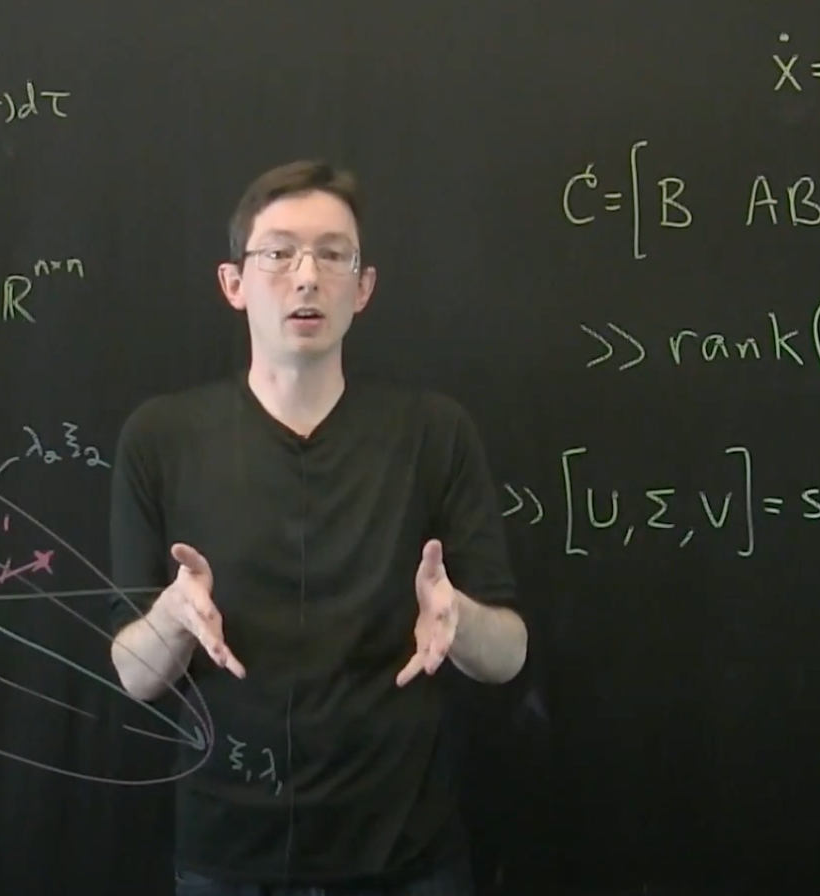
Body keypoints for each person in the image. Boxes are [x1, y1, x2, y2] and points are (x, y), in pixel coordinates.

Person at [106, 159, 530, 896]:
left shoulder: (433, 433)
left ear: (363, 289)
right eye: (279, 253)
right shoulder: (161, 438)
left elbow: (509, 655)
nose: (306, 277)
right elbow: (135, 675)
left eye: (333, 255)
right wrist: (173, 618)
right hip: (229, 856)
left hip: (407, 855)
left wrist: (458, 619)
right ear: (233, 283)